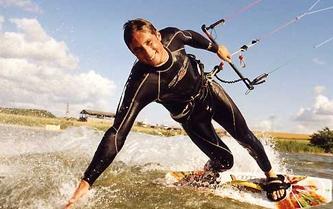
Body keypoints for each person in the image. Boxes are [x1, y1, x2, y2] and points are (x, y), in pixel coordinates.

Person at [64, 18, 289, 208]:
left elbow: (191, 35)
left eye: (149, 43)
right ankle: (209, 171)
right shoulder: (142, 83)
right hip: (190, 116)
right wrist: (86, 181)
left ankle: (271, 176)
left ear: (158, 36)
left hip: (209, 91)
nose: (148, 53)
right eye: (138, 50)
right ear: (131, 52)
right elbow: (117, 133)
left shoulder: (173, 37)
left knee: (244, 135)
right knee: (225, 161)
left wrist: (215, 48)